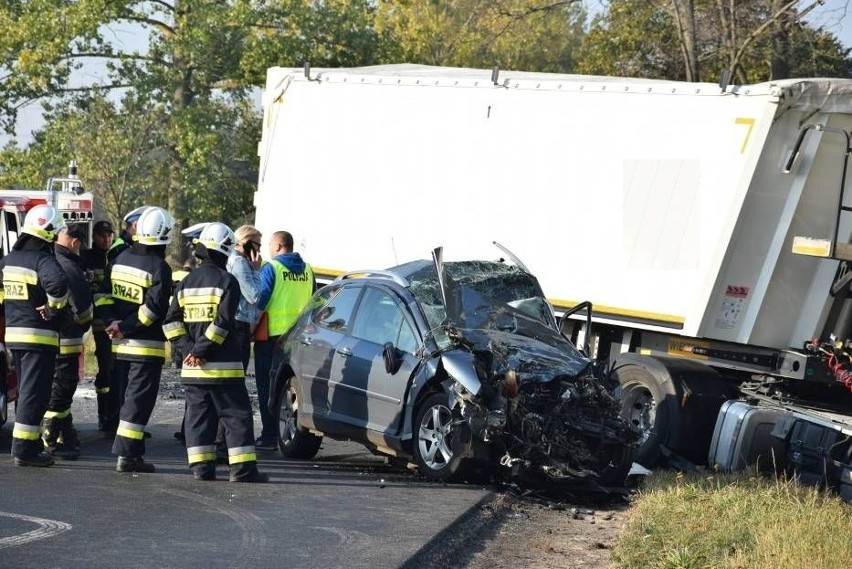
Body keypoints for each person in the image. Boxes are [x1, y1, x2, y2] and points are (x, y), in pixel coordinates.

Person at [163, 222, 268, 483]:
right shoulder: (227, 282)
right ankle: (242, 471)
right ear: (225, 251)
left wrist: (189, 351)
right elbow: (223, 323)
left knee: (199, 419)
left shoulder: (186, 283)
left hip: (193, 370)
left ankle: (201, 469)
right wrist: (201, 350)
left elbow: (171, 323)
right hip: (224, 368)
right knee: (236, 417)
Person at [104, 206, 174, 473]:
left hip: (118, 344)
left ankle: (129, 452)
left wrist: (112, 323)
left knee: (125, 397)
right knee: (138, 401)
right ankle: (128, 455)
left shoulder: (119, 259)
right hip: (145, 346)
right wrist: (128, 327)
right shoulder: (160, 267)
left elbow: (103, 295)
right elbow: (154, 309)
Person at [1, 205, 69, 467]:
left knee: (25, 390)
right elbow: (58, 285)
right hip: (38, 338)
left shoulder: (9, 260)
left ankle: (26, 444)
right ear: (49, 233)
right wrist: (53, 308)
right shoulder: (43, 260)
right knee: (34, 392)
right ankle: (24, 450)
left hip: (14, 335)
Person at [253, 230, 314, 450]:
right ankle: (285, 433)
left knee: (266, 386)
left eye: (270, 244)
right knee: (288, 388)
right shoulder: (308, 270)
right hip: (298, 338)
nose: (268, 248)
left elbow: (260, 303)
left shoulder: (272, 268)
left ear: (278, 246)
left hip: (271, 338)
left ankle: (269, 435)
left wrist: (249, 330)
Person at [42, 224, 93, 460]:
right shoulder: (70, 267)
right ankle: (49, 439)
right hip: (67, 340)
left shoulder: (47, 259)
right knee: (61, 390)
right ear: (75, 243)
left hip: (47, 339)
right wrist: (84, 325)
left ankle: (67, 435)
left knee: (57, 389)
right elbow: (84, 310)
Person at [82, 219, 119, 433]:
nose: (106, 239)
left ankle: (115, 417)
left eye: (109, 235)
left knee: (117, 371)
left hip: (116, 322)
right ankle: (103, 416)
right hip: (97, 323)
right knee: (106, 369)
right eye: (102, 235)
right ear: (94, 237)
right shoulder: (86, 258)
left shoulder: (116, 257)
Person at [227, 225, 263, 371]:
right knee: (239, 371)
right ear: (246, 242)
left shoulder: (231, 258)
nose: (259, 250)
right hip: (239, 323)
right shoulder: (240, 262)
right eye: (257, 245)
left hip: (235, 321)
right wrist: (256, 271)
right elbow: (253, 296)